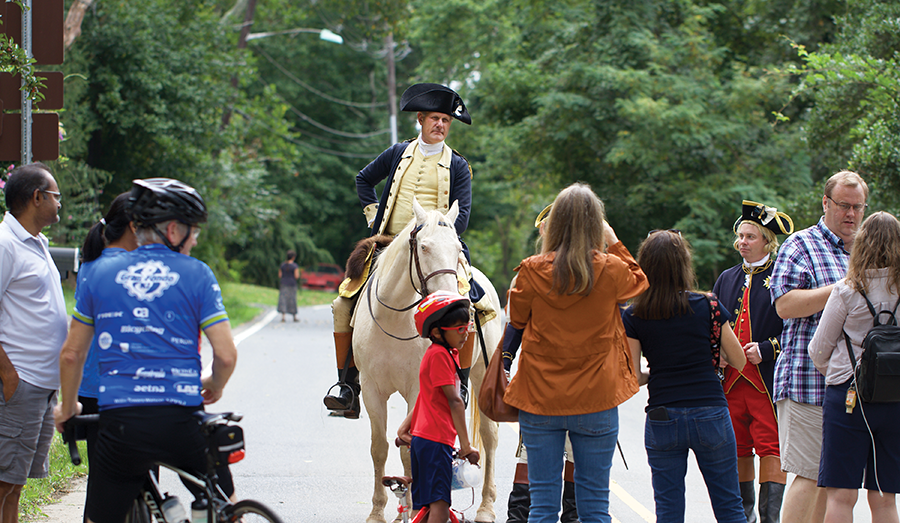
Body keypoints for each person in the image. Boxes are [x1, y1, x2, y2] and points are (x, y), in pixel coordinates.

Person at [54, 178, 238, 523]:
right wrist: (215, 383)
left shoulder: (99, 273)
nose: (195, 239)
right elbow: (226, 356)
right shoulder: (198, 273)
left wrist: (68, 407)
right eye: (193, 231)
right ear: (172, 229)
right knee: (223, 502)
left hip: (121, 423)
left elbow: (71, 354)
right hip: (182, 418)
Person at [326, 83, 485, 419]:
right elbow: (363, 179)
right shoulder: (398, 153)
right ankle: (348, 384)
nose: (440, 125)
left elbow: (464, 215)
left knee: (471, 308)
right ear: (420, 119)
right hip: (389, 248)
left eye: (446, 120)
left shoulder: (458, 166)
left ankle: (460, 383)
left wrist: (437, 243)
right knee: (343, 303)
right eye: (435, 119)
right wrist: (374, 218)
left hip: (436, 251)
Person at [504, 183, 648, 523]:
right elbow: (640, 281)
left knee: (541, 507)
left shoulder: (531, 269)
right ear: (595, 224)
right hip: (597, 399)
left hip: (540, 399)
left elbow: (518, 321)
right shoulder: (611, 269)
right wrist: (612, 239)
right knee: (595, 507)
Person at [623, 229, 747, 523]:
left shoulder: (634, 314)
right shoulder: (710, 305)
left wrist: (656, 370)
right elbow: (739, 360)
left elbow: (634, 377)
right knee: (729, 506)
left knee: (668, 509)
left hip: (663, 416)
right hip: (710, 413)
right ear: (683, 264)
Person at [769, 171, 868, 523]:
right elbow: (784, 305)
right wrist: (843, 287)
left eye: (858, 207)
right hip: (806, 383)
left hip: (853, 389)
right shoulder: (801, 244)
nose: (852, 214)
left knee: (835, 484)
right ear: (825, 203)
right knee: (810, 476)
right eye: (844, 205)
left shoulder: (866, 251)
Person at [808, 211, 900, 523]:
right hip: (895, 398)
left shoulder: (847, 290)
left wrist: (840, 372)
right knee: (885, 496)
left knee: (841, 495)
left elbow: (818, 349)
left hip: (849, 397)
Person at [712, 201, 794, 523]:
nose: (742, 242)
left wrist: (767, 348)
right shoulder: (726, 278)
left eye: (749, 236)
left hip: (765, 382)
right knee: (737, 447)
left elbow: (794, 329)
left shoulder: (782, 276)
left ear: (766, 241)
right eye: (740, 236)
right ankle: (741, 517)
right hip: (731, 382)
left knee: (771, 448)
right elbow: (713, 326)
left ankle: (769, 518)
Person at [0, 163, 68, 523]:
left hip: (41, 386)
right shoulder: (5, 244)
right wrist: (9, 376)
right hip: (20, 383)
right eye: (55, 196)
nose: (60, 203)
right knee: (2, 482)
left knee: (15, 484)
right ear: (37, 197)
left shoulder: (37, 243)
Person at [503, 203, 579, 523]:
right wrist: (504, 363)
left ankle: (570, 517)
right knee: (530, 453)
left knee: (573, 453)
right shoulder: (532, 270)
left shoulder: (591, 269)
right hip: (541, 378)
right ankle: (520, 517)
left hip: (579, 379)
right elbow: (516, 324)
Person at [397, 290, 480, 523]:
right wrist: (466, 446)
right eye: (460, 329)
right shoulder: (441, 356)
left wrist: (404, 428)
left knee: (423, 505)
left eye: (468, 327)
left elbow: (425, 394)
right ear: (437, 332)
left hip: (424, 441)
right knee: (440, 506)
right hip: (437, 442)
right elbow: (455, 401)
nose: (466, 334)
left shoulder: (439, 353)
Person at [278, 249, 300, 322]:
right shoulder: (295, 266)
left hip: (283, 283)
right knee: (292, 299)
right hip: (292, 284)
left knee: (283, 299)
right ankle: (294, 317)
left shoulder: (282, 265)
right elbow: (296, 276)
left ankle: (283, 317)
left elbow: (280, 275)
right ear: (293, 257)